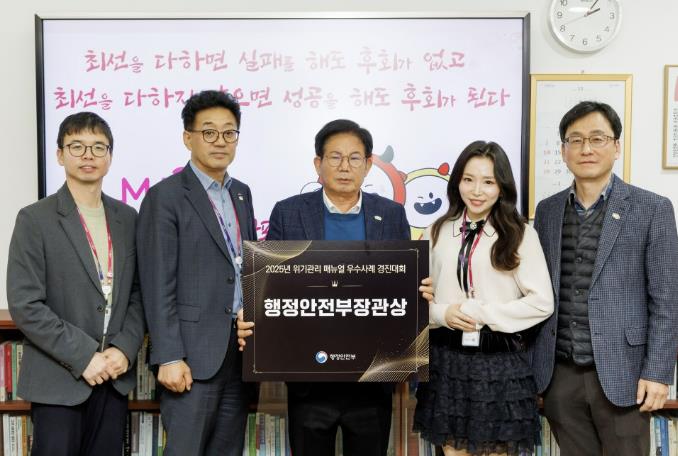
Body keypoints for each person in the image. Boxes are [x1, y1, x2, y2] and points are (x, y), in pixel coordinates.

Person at [238, 119, 417, 456]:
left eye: (354, 158)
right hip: (309, 381)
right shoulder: (289, 212)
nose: (344, 167)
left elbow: (403, 288)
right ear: (318, 163)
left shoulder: (391, 214)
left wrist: (419, 292)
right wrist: (250, 307)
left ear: (368, 165)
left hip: (371, 379)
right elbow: (269, 285)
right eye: (335, 157)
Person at [531, 101, 678, 456]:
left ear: (616, 146)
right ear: (563, 150)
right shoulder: (547, 211)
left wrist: (658, 373)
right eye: (576, 140)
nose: (586, 149)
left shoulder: (652, 208)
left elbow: (667, 299)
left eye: (597, 138)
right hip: (560, 375)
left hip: (624, 374)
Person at [6, 112, 145, 456]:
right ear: (60, 154)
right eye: (77, 146)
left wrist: (124, 349)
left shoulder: (128, 218)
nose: (88, 155)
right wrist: (84, 356)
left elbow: (139, 294)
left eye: (98, 147)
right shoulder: (35, 218)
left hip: (112, 376)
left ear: (110, 157)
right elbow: (26, 304)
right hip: (59, 380)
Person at [413, 140, 554, 456]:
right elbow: (417, 299)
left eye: (488, 182)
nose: (477, 191)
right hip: (447, 360)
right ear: (457, 182)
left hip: (499, 362)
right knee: (453, 451)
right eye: (468, 179)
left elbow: (541, 302)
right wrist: (442, 314)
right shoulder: (436, 230)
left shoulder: (520, 234)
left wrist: (481, 312)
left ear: (502, 187)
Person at [136, 90, 257, 455]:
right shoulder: (165, 196)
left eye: (229, 132)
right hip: (190, 358)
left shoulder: (241, 193)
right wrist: (169, 356)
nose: (220, 141)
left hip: (239, 353)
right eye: (209, 132)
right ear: (188, 138)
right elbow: (156, 284)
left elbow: (244, 267)